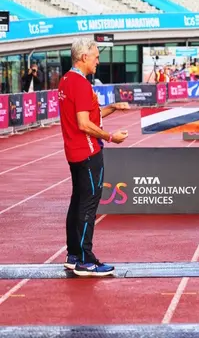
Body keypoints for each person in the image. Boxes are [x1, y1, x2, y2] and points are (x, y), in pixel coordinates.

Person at [58, 38, 130, 277]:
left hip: (74, 152)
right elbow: (84, 123)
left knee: (77, 202)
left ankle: (73, 255)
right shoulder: (79, 83)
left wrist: (114, 107)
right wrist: (111, 137)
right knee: (88, 205)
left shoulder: (66, 81)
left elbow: (90, 114)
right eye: (96, 57)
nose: (98, 61)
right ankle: (86, 260)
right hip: (88, 153)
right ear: (84, 57)